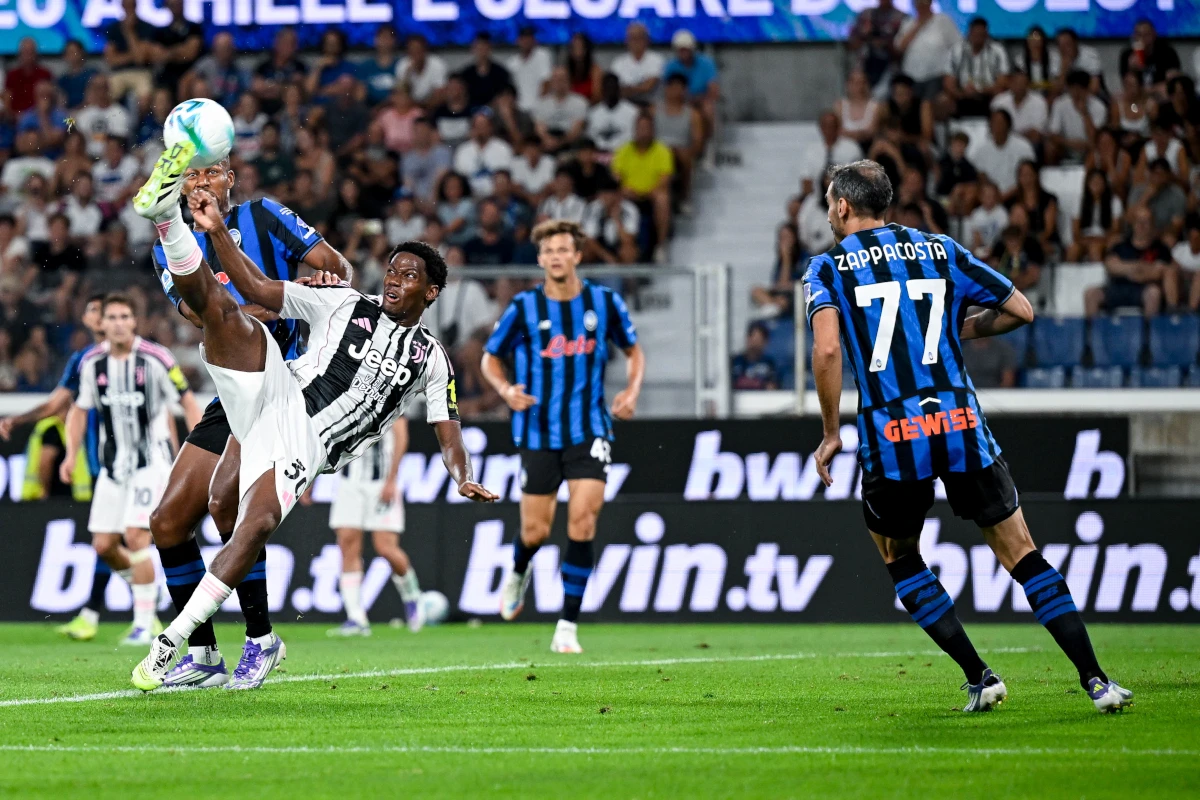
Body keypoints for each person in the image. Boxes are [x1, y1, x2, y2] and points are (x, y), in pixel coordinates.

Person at [129, 140, 497, 691]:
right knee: (172, 517)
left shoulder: (431, 357)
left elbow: (449, 431)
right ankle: (166, 222)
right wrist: (218, 235)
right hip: (269, 383)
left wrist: (463, 475)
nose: (393, 280)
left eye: (408, 276)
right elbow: (232, 299)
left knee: (237, 514)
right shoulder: (347, 305)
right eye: (390, 271)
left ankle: (221, 639)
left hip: (307, 436)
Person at [804, 159, 1132, 714]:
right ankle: (1097, 681)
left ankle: (980, 676)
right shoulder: (939, 248)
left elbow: (828, 348)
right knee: (1020, 551)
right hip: (960, 422)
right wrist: (957, 330)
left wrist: (832, 431)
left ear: (842, 206)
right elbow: (1020, 310)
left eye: (830, 204)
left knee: (899, 555)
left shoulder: (827, 267)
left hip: (894, 432)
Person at [144, 155, 352, 691]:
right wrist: (283, 300)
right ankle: (204, 653)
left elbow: (337, 269)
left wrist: (318, 285)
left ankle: (260, 639)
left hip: (287, 386)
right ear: (180, 187)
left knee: (223, 503)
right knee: (167, 522)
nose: (201, 181)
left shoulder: (264, 215)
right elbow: (206, 316)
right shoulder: (171, 246)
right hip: (234, 387)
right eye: (191, 174)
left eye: (211, 171)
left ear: (229, 179)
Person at [482, 219, 644, 654]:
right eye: (549, 250)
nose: (556, 256)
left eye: (563, 249)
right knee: (535, 532)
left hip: (589, 427)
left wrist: (631, 390)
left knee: (583, 521)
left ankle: (567, 626)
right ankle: (519, 570)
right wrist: (505, 390)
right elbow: (489, 359)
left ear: (577, 255)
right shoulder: (524, 307)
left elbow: (634, 351)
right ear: (540, 259)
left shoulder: (603, 302)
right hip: (537, 431)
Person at [59, 294, 202, 645]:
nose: (119, 323)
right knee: (104, 544)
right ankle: (146, 590)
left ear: (135, 321)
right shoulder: (91, 363)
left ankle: (144, 623)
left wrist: (200, 452)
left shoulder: (157, 358)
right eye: (112, 317)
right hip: (113, 466)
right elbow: (79, 410)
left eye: (125, 316)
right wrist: (70, 454)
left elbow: (187, 401)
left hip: (150, 462)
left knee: (136, 536)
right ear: (102, 323)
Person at [327, 418, 425, 636]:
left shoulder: (388, 396)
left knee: (386, 548)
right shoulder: (340, 397)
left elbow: (401, 434)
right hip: (349, 482)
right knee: (347, 545)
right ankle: (356, 618)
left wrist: (392, 479)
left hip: (381, 481)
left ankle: (412, 595)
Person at [1085, 207, 1170, 318]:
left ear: (1152, 225)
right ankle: (1092, 329)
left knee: (1154, 293)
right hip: (1117, 288)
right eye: (1139, 221)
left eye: (1146, 222)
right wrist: (1139, 268)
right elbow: (1110, 267)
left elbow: (1156, 273)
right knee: (1091, 294)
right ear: (1133, 224)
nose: (1142, 225)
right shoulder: (1120, 246)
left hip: (1143, 289)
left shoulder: (1161, 248)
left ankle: (1149, 329)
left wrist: (1124, 268)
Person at [611, 114, 674, 263]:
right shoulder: (623, 150)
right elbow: (616, 177)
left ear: (653, 130)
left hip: (652, 195)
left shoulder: (662, 150)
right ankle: (619, 247)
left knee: (663, 199)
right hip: (628, 194)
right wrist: (626, 189)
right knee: (612, 198)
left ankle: (661, 246)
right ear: (635, 129)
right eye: (640, 128)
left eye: (647, 128)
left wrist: (649, 192)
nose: (643, 131)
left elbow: (665, 178)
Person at [664, 30, 719, 153]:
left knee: (708, 108)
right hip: (680, 101)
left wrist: (698, 99)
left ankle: (706, 143)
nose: (684, 52)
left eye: (686, 49)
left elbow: (714, 90)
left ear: (693, 49)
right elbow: (667, 90)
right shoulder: (671, 66)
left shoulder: (706, 63)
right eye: (680, 50)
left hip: (701, 100)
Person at [893, 0, 960, 101]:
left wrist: (951, 73)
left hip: (936, 75)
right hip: (911, 76)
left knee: (929, 104)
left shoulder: (943, 20)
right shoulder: (908, 22)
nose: (921, 5)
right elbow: (899, 47)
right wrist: (919, 24)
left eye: (924, 2)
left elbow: (957, 46)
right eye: (918, 3)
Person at [944, 17, 1010, 118]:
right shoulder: (956, 50)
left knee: (1001, 97)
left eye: (981, 35)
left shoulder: (997, 50)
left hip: (989, 94)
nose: (977, 38)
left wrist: (981, 90)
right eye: (975, 34)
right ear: (969, 33)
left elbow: (1003, 81)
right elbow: (948, 81)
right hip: (962, 94)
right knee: (943, 100)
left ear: (986, 34)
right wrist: (961, 93)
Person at [970, 109, 1035, 197]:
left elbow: (1029, 176)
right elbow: (980, 175)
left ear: (1008, 125)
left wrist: (1005, 196)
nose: (997, 126)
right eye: (994, 123)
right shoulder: (982, 149)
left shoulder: (1023, 147)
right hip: (990, 197)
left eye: (1000, 123)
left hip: (1017, 195)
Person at [847, 0, 906, 93]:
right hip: (865, 65)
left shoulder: (901, 17)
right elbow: (852, 45)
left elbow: (901, 52)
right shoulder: (866, 15)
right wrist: (865, 34)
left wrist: (885, 43)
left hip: (890, 69)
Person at [1069, 169, 1123, 263]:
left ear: (1105, 184)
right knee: (1072, 250)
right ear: (1087, 184)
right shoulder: (1078, 201)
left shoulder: (1114, 201)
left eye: (1099, 181)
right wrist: (1088, 240)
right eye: (1093, 181)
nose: (1096, 184)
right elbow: (1076, 232)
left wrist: (1099, 239)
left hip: (1105, 238)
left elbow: (1116, 229)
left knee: (1095, 249)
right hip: (1085, 239)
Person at [1119, 18, 1180, 94]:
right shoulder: (1127, 55)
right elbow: (1127, 88)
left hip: (1160, 95)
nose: (1142, 39)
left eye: (1146, 35)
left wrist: (1150, 90)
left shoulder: (1167, 52)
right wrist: (1132, 70)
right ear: (1134, 36)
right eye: (1139, 35)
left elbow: (1173, 83)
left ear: (1154, 35)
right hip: (1138, 96)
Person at [611, 22, 665, 106]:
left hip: (650, 105)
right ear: (626, 41)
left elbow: (648, 87)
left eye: (639, 37)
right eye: (632, 38)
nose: (635, 42)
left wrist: (628, 89)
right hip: (624, 105)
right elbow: (615, 89)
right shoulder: (618, 62)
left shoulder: (657, 59)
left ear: (647, 40)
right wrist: (638, 88)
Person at [457, 32, 513, 109]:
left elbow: (505, 94)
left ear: (490, 49)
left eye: (484, 47)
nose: (482, 51)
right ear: (473, 49)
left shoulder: (501, 73)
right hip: (470, 110)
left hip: (494, 111)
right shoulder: (466, 73)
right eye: (479, 48)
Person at [588, 73, 639, 154]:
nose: (610, 91)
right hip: (599, 155)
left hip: (624, 154)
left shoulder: (633, 112)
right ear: (602, 89)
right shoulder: (593, 113)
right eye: (607, 87)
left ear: (618, 89)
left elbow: (635, 139)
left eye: (613, 87)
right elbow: (591, 138)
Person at [506, 27, 552, 114]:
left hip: (540, 108)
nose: (526, 42)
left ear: (534, 40)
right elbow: (510, 89)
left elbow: (546, 82)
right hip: (519, 109)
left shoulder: (542, 56)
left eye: (529, 38)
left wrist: (541, 106)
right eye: (523, 39)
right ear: (518, 41)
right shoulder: (512, 63)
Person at [731, 323, 780, 390]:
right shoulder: (735, 362)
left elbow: (772, 387)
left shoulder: (769, 363)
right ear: (748, 338)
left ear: (765, 342)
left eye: (759, 340)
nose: (755, 344)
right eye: (753, 339)